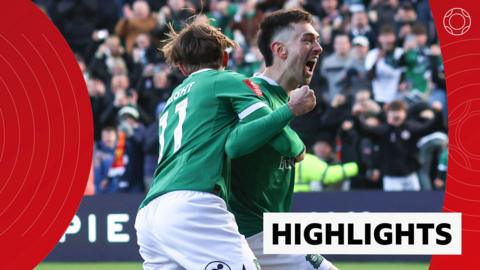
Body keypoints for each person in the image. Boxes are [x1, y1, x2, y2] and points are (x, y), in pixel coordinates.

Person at [134, 21, 317, 270]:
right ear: (224, 57)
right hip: (194, 203)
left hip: (150, 212)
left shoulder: (172, 101)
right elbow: (270, 130)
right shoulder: (226, 80)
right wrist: (293, 121)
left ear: (181, 67)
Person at [227, 9, 338, 270]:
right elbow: (237, 145)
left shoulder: (282, 99)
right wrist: (296, 142)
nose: (319, 48)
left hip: (270, 230)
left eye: (318, 40)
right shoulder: (248, 93)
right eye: (308, 40)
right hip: (247, 233)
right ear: (280, 50)